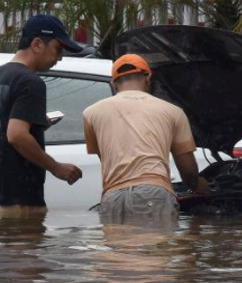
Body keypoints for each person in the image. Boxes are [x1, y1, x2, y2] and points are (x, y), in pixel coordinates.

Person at [0, 14, 85, 219]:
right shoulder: (31, 82)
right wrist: (56, 168)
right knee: (29, 250)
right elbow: (17, 136)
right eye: (58, 49)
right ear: (37, 44)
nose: (60, 57)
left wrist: (35, 125)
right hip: (16, 201)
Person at [82, 54, 210, 228]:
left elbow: (106, 160)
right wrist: (200, 186)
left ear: (114, 83)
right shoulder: (173, 112)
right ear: (148, 78)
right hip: (153, 194)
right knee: (153, 253)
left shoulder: (91, 113)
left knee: (117, 253)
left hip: (112, 197)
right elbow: (188, 172)